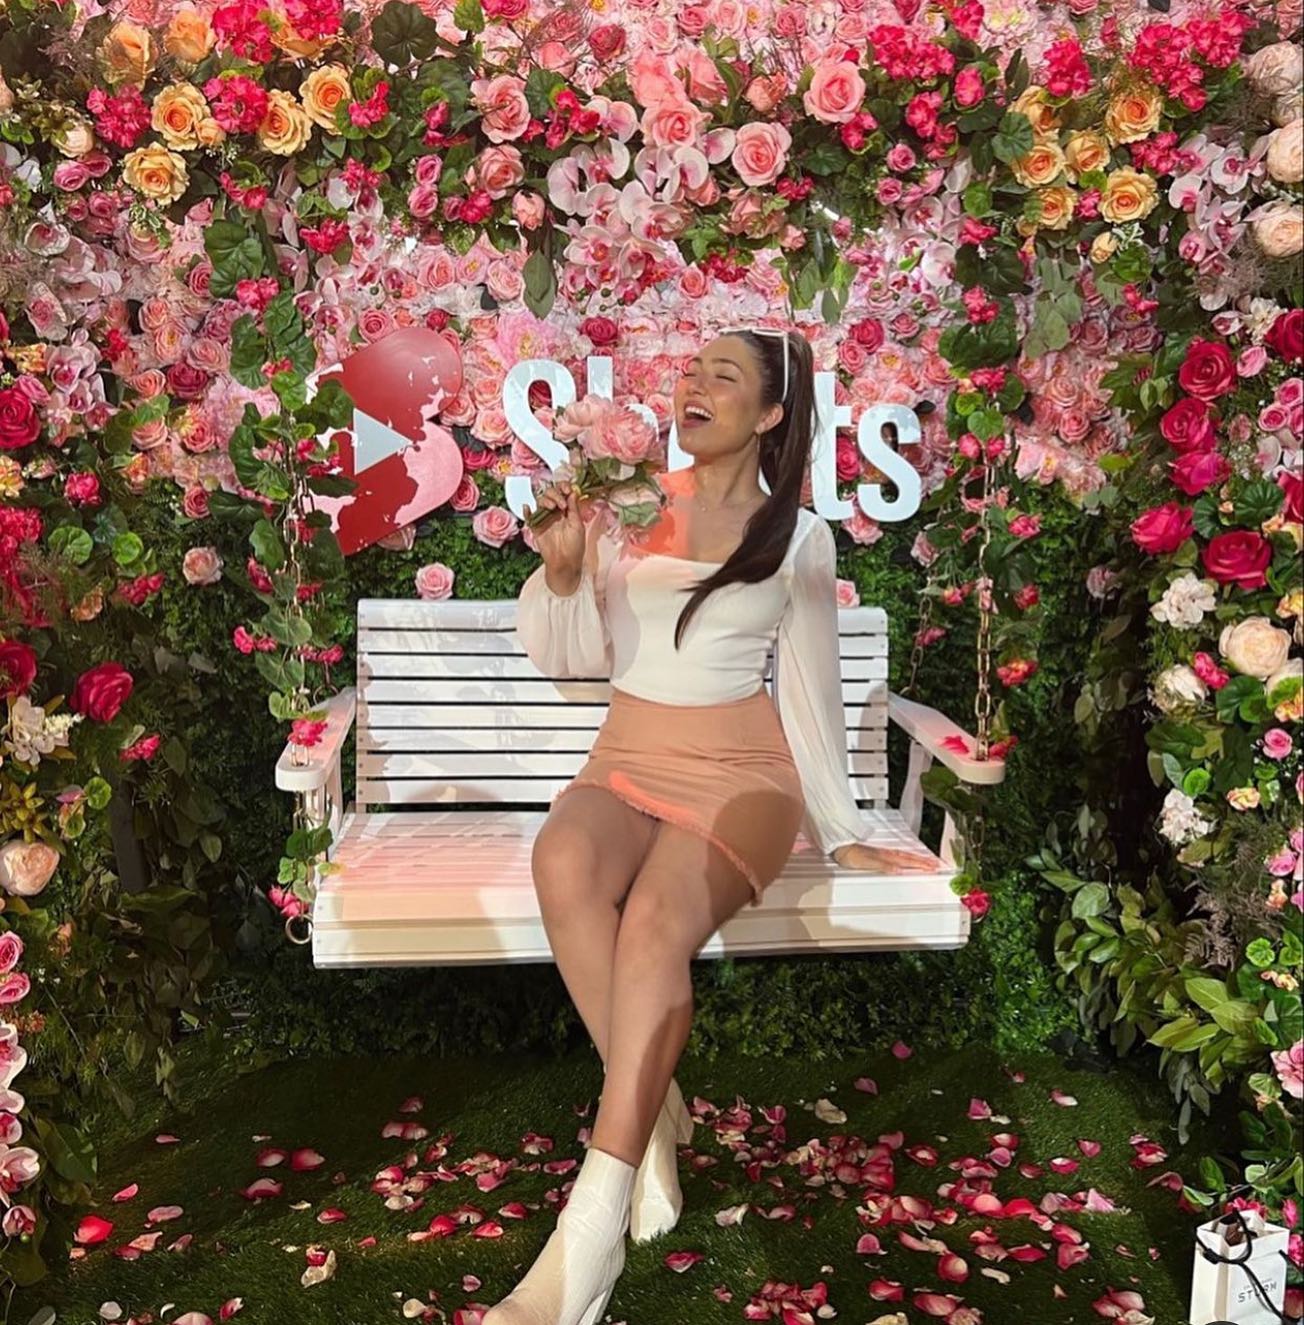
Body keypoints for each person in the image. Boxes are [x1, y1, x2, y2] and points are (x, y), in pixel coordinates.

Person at [484, 329, 938, 1325]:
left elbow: (810, 693)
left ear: (770, 412)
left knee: (654, 922)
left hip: (743, 777)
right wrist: (562, 571)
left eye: (721, 375)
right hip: (625, 757)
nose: (693, 384)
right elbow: (573, 660)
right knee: (562, 856)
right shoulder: (624, 507)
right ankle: (648, 1112)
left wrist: (840, 824)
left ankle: (587, 1237)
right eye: (689, 371)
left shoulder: (798, 537)